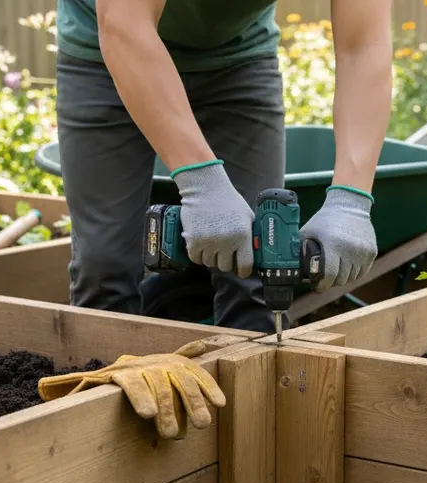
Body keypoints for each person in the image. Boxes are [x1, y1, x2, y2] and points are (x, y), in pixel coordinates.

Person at [56, 0, 393, 333]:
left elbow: (363, 48)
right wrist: (202, 182)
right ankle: (103, 380)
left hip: (237, 60)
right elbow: (123, 24)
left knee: (257, 275)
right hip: (104, 50)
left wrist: (351, 200)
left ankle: (254, 381)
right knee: (104, 269)